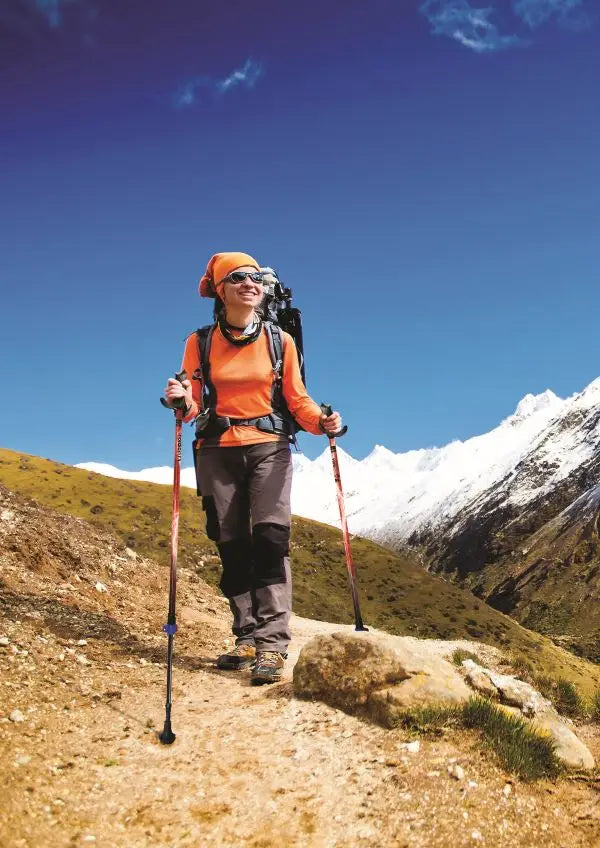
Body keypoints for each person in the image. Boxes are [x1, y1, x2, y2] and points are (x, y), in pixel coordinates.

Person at [163, 251, 342, 685]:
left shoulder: (281, 341)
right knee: (231, 543)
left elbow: (297, 398)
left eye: (257, 277)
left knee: (270, 540)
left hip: (270, 449)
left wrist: (322, 422)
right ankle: (245, 634)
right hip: (217, 449)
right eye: (239, 277)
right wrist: (179, 399)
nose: (251, 283)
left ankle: (273, 644)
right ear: (220, 290)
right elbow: (193, 400)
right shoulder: (199, 342)